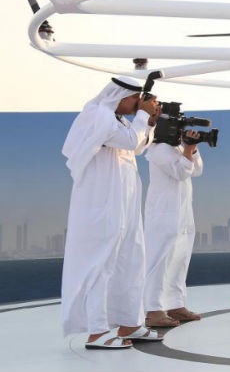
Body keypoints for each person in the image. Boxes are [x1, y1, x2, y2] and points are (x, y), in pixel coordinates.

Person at [61, 76, 163, 349]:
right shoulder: (97, 115)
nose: (138, 104)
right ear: (118, 96)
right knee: (102, 261)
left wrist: (149, 122)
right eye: (135, 99)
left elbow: (139, 145)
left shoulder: (117, 120)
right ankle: (97, 331)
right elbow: (130, 142)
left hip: (124, 198)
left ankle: (129, 322)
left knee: (131, 258)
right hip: (102, 201)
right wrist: (143, 115)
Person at [143, 130, 204, 327]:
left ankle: (175, 305)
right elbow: (181, 171)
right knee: (160, 260)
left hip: (183, 212)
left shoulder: (178, 147)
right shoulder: (158, 149)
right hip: (164, 213)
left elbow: (197, 169)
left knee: (180, 258)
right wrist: (187, 150)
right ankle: (153, 310)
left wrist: (191, 149)